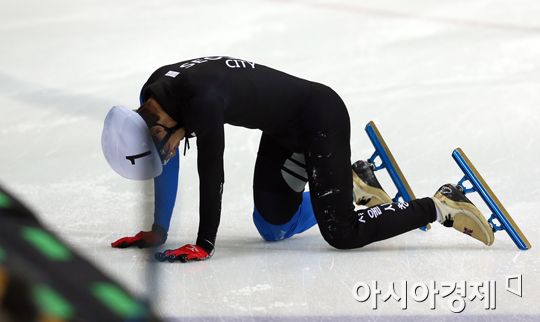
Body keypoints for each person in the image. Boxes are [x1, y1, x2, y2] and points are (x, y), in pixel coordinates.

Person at [101, 56, 494, 263]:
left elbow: (212, 175)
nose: (169, 155)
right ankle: (352, 183)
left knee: (341, 233)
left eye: (165, 149)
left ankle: (439, 205)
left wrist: (204, 244)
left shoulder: (199, 103)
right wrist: (157, 230)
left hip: (321, 118)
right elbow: (165, 161)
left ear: (157, 129)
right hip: (282, 132)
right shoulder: (153, 99)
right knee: (272, 227)